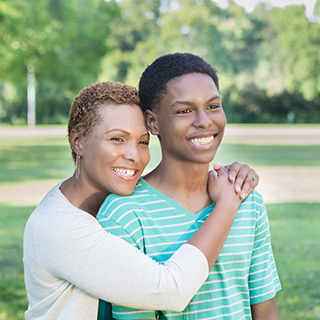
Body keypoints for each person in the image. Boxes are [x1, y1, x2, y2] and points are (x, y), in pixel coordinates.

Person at [23, 81, 259, 319]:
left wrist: (231, 177)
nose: (134, 156)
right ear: (78, 142)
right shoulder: (57, 227)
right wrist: (228, 203)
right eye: (117, 139)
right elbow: (172, 290)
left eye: (142, 142)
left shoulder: (115, 209)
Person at [97, 53, 281, 319]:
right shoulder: (124, 215)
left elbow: (265, 310)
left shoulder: (247, 201)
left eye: (214, 106)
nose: (204, 121)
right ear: (153, 122)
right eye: (184, 110)